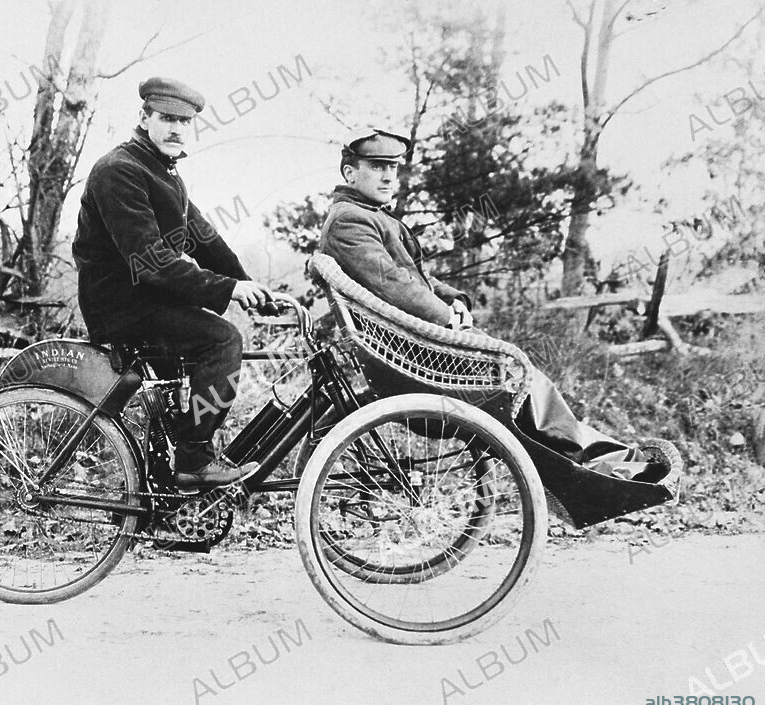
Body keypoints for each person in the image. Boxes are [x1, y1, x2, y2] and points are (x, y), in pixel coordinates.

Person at [319, 128, 660, 481]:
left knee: (527, 385)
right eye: (377, 166)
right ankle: (607, 469)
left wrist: (453, 299)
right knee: (522, 380)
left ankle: (603, 465)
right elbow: (393, 285)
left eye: (393, 167)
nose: (389, 176)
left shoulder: (371, 215)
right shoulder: (350, 220)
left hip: (422, 350)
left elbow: (416, 279)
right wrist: (445, 317)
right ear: (350, 173)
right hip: (417, 356)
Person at [72, 77, 272, 488]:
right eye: (166, 118)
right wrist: (228, 290)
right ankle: (194, 458)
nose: (176, 129)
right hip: (122, 306)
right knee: (222, 341)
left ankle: (161, 491)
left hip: (148, 301)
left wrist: (253, 290)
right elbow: (151, 262)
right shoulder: (120, 170)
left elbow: (203, 239)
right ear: (144, 118)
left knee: (174, 395)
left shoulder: (162, 172)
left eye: (185, 121)